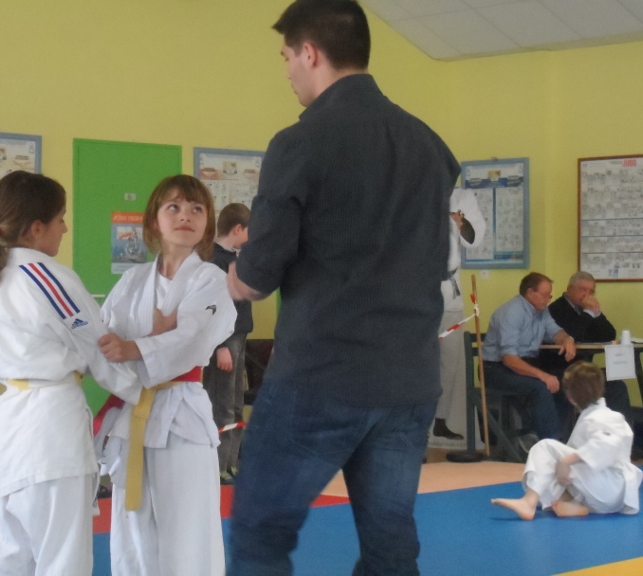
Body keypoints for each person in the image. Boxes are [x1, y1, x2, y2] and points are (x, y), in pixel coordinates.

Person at [224, 2, 460, 573]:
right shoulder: (430, 146)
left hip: (322, 376)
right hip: (407, 377)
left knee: (259, 531)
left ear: (310, 53)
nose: (287, 71)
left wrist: (232, 276)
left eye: (287, 57)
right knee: (389, 545)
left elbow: (257, 276)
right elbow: (437, 256)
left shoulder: (300, 142)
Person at [0, 170, 142, 575]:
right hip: (50, 431)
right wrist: (145, 392)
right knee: (63, 561)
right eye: (60, 219)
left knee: (12, 560)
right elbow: (99, 347)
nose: (64, 228)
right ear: (36, 228)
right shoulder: (44, 274)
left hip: (11, 429)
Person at [97, 174, 235, 576]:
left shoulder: (212, 280)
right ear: (153, 220)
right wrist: (152, 338)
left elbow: (193, 338)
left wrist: (136, 347)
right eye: (173, 207)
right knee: (133, 526)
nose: (184, 216)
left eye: (196, 209)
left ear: (208, 223)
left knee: (187, 526)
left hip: (182, 414)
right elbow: (106, 339)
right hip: (133, 412)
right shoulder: (132, 281)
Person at [491, 362, 643, 520]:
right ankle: (573, 504)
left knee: (544, 448)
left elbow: (606, 444)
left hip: (608, 489)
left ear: (570, 397)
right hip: (602, 494)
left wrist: (566, 461)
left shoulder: (606, 417)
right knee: (547, 470)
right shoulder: (596, 415)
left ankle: (528, 503)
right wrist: (564, 464)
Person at [482, 273, 577, 444]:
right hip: (496, 370)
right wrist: (542, 375)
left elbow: (555, 331)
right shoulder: (511, 312)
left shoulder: (542, 311)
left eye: (550, 296)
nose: (548, 300)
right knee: (541, 386)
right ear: (531, 293)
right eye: (545, 295)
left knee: (564, 382)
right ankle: (551, 442)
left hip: (523, 365)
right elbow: (509, 359)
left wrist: (567, 339)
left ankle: (556, 437)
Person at [202, 202, 253, 483]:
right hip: (225, 339)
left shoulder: (235, 257)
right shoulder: (214, 260)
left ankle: (231, 463)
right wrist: (220, 345)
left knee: (235, 403)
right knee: (221, 403)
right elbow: (210, 307)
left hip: (239, 335)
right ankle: (217, 466)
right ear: (237, 229)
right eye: (248, 232)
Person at [538, 271, 632, 421]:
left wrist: (597, 314)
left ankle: (618, 430)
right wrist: (587, 314)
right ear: (570, 289)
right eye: (583, 290)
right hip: (561, 368)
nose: (587, 295)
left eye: (591, 291)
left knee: (617, 385)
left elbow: (609, 335)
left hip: (584, 369)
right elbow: (572, 336)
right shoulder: (556, 310)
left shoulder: (587, 310)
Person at [433, 188, 486, 440]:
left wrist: (461, 223)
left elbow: (474, 239)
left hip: (450, 292)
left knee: (450, 362)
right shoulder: (410, 189)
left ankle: (440, 420)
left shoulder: (463, 197)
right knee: (418, 361)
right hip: (417, 290)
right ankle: (416, 426)